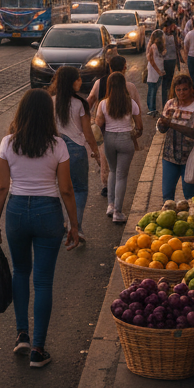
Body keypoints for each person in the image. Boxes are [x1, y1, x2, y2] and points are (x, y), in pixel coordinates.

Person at [0, 89, 80, 369]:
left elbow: (1, 187)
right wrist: (74, 224)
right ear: (47, 115)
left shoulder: (8, 143)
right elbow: (66, 189)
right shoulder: (58, 145)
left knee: (20, 272)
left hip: (16, 211)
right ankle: (38, 350)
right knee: (43, 281)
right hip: (48, 212)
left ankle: (22, 335)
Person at [51, 66, 101, 244]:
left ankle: (62, 226)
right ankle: (76, 228)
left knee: (57, 188)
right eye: (78, 78)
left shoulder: (50, 101)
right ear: (71, 82)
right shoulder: (80, 104)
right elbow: (88, 133)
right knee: (79, 189)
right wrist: (96, 152)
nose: (80, 81)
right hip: (76, 150)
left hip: (54, 150)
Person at [94, 71, 142, 223]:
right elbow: (140, 126)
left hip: (109, 139)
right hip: (125, 139)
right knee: (122, 176)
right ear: (124, 85)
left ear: (109, 86)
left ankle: (110, 205)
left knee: (113, 171)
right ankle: (118, 212)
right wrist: (135, 134)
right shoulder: (131, 103)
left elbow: (98, 123)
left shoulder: (103, 104)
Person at [156, 73, 194, 201]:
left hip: (190, 158)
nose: (181, 93)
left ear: (191, 89)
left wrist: (171, 124)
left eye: (185, 89)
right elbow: (162, 130)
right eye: (178, 90)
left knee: (190, 196)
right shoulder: (170, 104)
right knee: (167, 196)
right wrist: (162, 124)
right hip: (169, 156)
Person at [145, 29, 165, 116]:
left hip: (158, 72)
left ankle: (152, 108)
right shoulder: (153, 47)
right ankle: (151, 109)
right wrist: (158, 71)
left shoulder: (158, 47)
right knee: (152, 90)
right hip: (154, 72)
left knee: (154, 90)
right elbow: (151, 60)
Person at [161, 21, 181, 105]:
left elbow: (178, 46)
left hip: (172, 60)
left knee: (170, 82)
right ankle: (165, 102)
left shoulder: (173, 35)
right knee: (165, 83)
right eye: (172, 26)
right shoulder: (163, 36)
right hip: (166, 61)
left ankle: (169, 100)